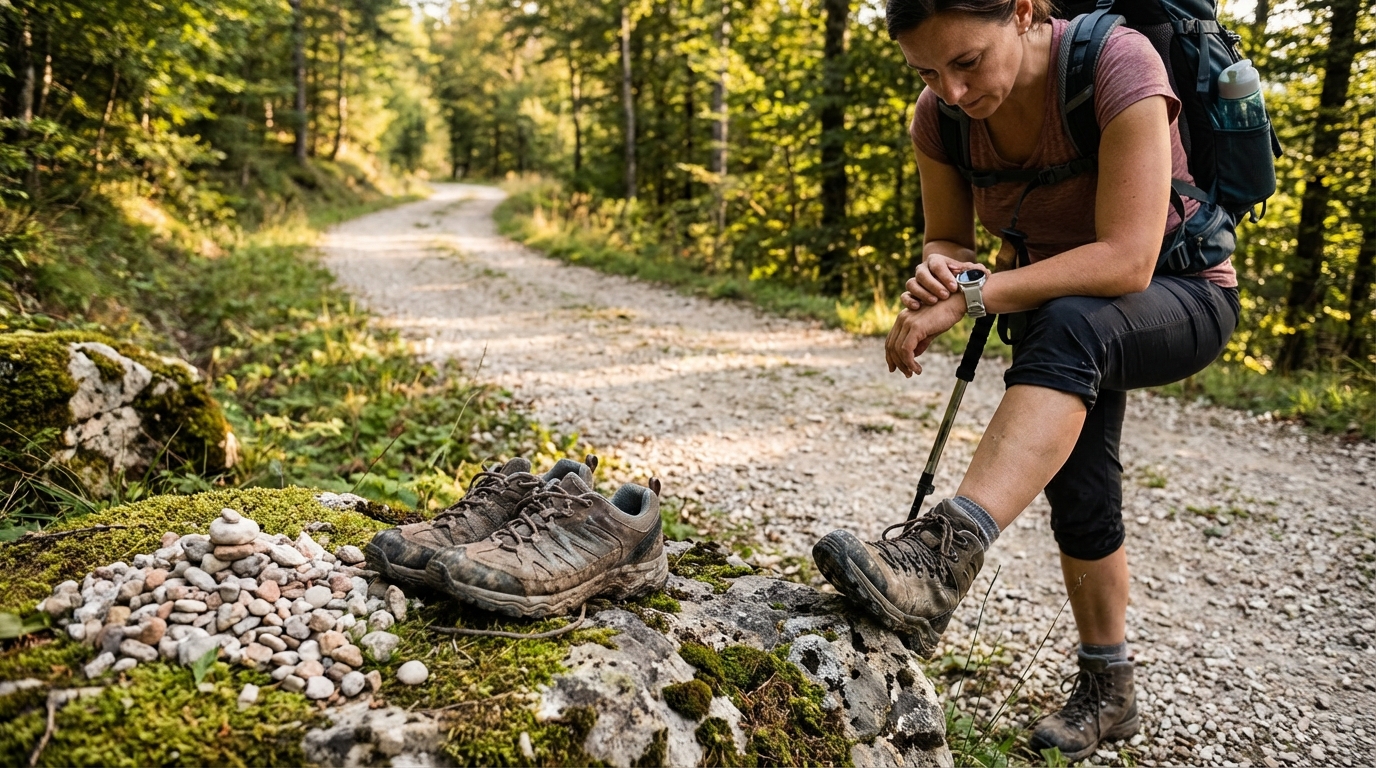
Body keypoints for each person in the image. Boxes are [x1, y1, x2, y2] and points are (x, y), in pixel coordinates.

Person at [810, 0, 1240, 760]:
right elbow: (949, 236)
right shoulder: (939, 116)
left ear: (1021, 11)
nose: (953, 91)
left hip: (1184, 294)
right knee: (1077, 483)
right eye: (927, 73)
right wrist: (944, 267)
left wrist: (972, 298)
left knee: (1071, 320)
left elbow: (1127, 259)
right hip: (1060, 317)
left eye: (967, 62)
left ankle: (938, 559)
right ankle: (1110, 691)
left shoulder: (1118, 64)